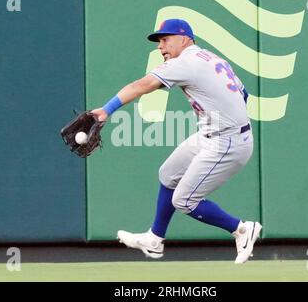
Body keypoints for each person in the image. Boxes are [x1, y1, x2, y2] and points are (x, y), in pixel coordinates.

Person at [91, 19, 261, 264]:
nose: (161, 47)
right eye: (159, 42)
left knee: (183, 200)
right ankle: (155, 239)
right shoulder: (211, 58)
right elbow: (242, 94)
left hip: (227, 143)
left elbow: (141, 85)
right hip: (214, 135)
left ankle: (242, 230)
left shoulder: (185, 63)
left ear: (185, 39)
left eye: (165, 39)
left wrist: (106, 110)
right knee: (168, 174)